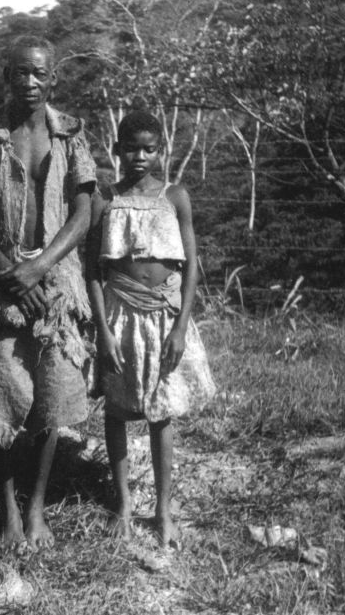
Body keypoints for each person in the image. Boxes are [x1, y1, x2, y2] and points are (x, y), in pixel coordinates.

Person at [0, 36, 96, 551]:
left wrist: (41, 266)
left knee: (51, 398)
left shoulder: (70, 135)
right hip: (2, 282)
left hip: (55, 282)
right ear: (5, 76)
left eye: (39, 73)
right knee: (2, 395)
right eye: (20, 72)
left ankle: (36, 507)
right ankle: (8, 508)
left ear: (54, 78)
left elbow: (84, 210)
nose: (29, 82)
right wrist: (8, 270)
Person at [86, 110, 216, 547]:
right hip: (119, 314)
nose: (140, 157)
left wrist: (180, 327)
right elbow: (92, 270)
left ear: (160, 151)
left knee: (162, 413)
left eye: (149, 149)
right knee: (118, 409)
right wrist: (102, 330)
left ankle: (163, 511)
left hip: (164, 315)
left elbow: (191, 265)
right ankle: (123, 504)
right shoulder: (105, 199)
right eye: (131, 148)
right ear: (117, 150)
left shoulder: (175, 196)